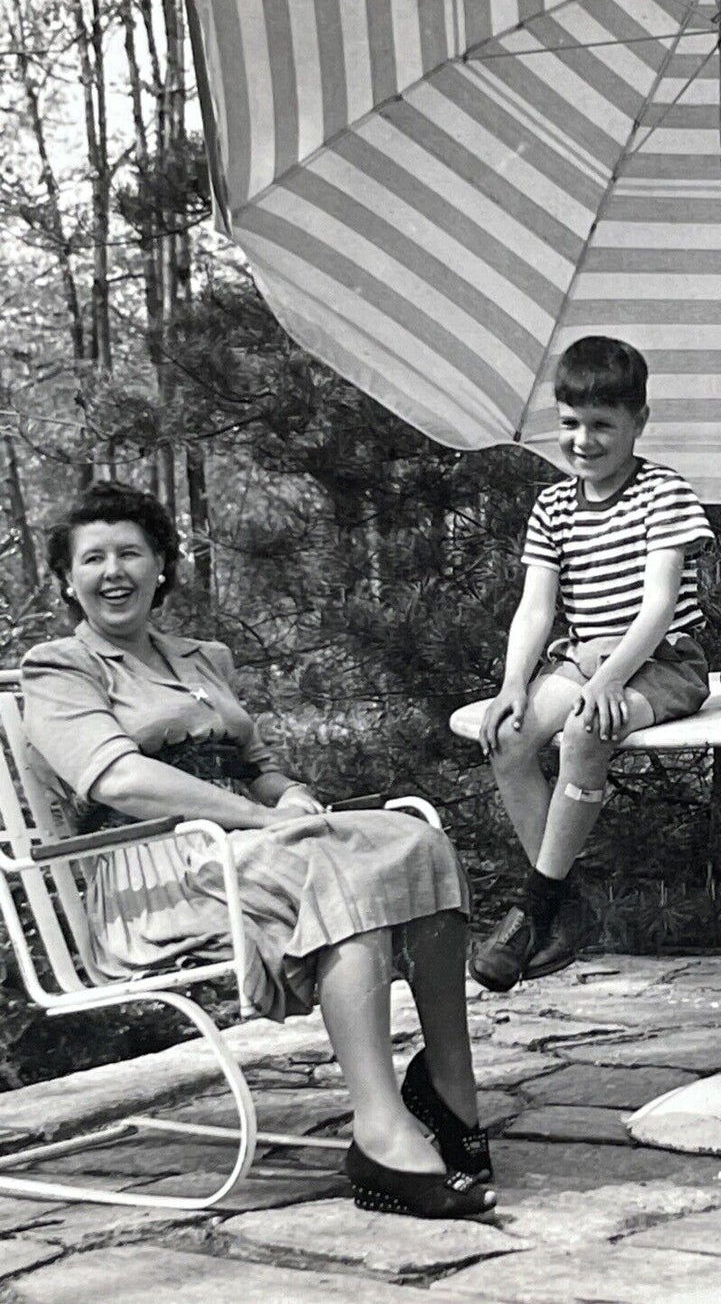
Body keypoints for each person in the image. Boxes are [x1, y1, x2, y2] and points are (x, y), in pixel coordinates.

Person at [20, 482, 495, 1221]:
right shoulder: (61, 667)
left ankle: (449, 1091)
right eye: (93, 558)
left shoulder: (204, 657)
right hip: (152, 867)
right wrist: (254, 817)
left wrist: (285, 796)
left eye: (130, 552)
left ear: (162, 568)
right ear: (67, 580)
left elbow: (257, 763)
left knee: (416, 839)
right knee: (340, 869)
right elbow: (121, 777)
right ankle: (378, 1131)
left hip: (239, 843)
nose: (113, 571)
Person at [470, 335, 714, 993]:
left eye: (603, 424)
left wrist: (608, 680)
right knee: (512, 737)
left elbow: (660, 605)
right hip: (584, 657)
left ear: (639, 422)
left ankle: (535, 905)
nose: (584, 441)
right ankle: (565, 903)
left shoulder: (663, 492)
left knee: (586, 731)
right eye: (571, 424)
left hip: (659, 659)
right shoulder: (552, 506)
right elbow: (535, 607)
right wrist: (513, 683)